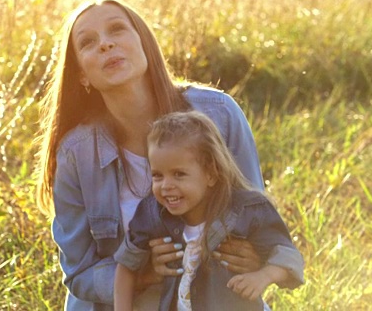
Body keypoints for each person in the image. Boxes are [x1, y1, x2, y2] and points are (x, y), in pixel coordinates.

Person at [35, 0, 267, 310]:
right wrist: (142, 272)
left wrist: (255, 253)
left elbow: (258, 222)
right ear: (82, 76)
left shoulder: (220, 114)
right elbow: (79, 273)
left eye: (117, 30)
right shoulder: (77, 154)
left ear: (144, 43)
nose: (105, 44)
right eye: (88, 42)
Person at [113, 111, 304, 311]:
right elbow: (126, 265)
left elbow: (288, 255)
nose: (166, 185)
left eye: (179, 174)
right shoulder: (152, 212)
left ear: (211, 174)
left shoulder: (248, 210)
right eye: (157, 175)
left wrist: (263, 276)